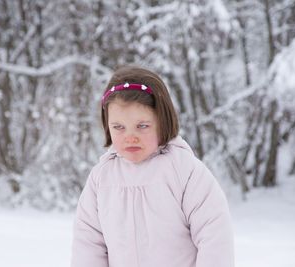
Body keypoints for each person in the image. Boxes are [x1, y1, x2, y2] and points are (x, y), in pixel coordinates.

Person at [71, 66, 234, 267]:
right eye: (119, 127)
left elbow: (214, 234)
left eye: (142, 126)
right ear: (107, 126)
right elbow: (88, 243)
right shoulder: (102, 177)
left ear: (162, 121)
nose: (130, 137)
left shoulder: (184, 170)